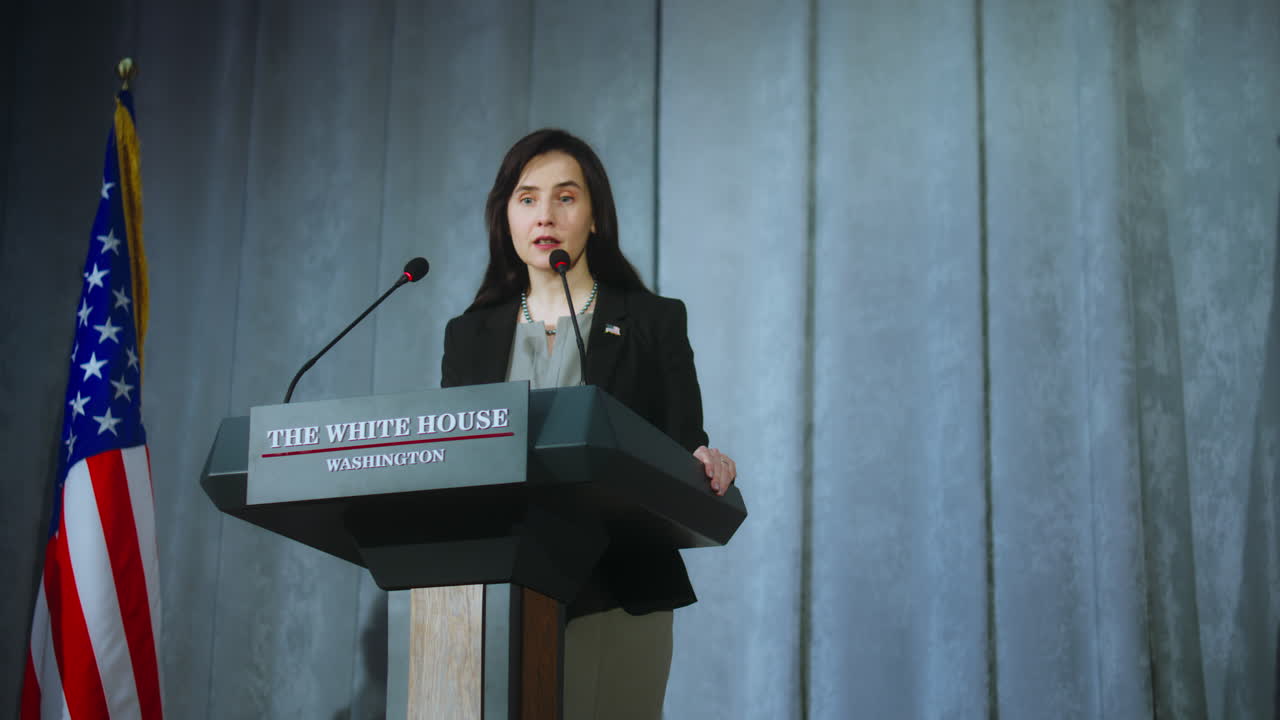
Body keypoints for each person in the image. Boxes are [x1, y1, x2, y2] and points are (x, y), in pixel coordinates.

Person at [440, 128, 737, 718]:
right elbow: (458, 456)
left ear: (596, 217)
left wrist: (704, 457)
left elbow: (684, 440)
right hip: (495, 592)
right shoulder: (469, 334)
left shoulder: (653, 321)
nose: (544, 214)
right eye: (527, 198)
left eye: (565, 197)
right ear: (506, 216)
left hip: (619, 584)